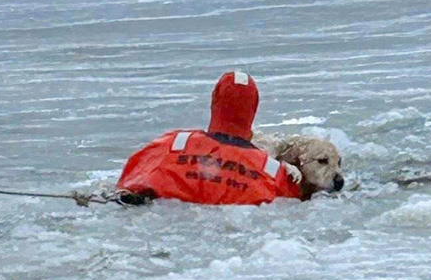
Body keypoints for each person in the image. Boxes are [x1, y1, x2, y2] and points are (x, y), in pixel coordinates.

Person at [116, 71, 303, 206]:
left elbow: (131, 178)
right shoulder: (271, 171)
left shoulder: (172, 144)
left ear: (214, 101)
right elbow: (294, 201)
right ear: (254, 109)